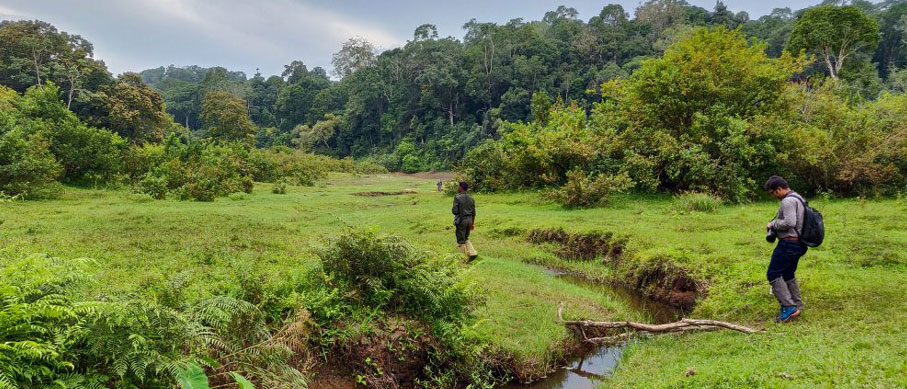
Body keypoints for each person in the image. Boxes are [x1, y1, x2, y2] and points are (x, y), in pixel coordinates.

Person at [764, 176, 807, 323]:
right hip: (798, 243)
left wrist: (773, 225)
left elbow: (790, 222)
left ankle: (789, 307)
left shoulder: (788, 201)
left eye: (772, 193)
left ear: (779, 189)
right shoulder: (798, 197)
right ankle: (797, 304)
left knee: (773, 273)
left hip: (788, 243)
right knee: (788, 273)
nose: (773, 196)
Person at [452, 181, 478, 261]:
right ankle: (472, 253)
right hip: (470, 220)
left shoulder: (457, 197)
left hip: (461, 220)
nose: (457, 188)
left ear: (461, 187)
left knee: (460, 240)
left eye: (458, 186)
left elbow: (455, 211)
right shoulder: (471, 198)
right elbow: (474, 213)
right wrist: (472, 224)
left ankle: (463, 259)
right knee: (466, 237)